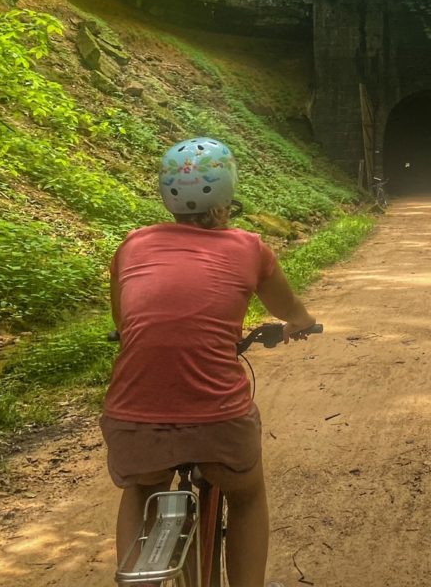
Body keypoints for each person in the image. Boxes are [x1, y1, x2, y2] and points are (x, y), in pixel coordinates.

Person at [101, 137, 315, 587]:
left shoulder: (133, 245)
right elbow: (288, 310)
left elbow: (122, 320)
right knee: (248, 495)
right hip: (219, 422)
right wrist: (300, 322)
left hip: (133, 419)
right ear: (228, 195)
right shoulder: (249, 248)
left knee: (139, 488)